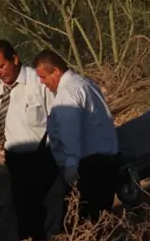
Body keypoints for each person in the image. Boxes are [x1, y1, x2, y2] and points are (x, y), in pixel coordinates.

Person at [0, 40, 60, 241]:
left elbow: (58, 116)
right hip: (14, 157)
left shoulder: (38, 82)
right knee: (22, 208)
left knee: (42, 208)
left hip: (42, 155)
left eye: (2, 66)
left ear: (15, 60)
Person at [32, 49, 120, 229]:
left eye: (43, 77)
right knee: (100, 224)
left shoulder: (68, 93)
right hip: (106, 163)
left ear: (56, 71)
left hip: (88, 168)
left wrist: (71, 162)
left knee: (78, 226)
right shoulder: (86, 84)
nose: (42, 82)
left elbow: (70, 129)